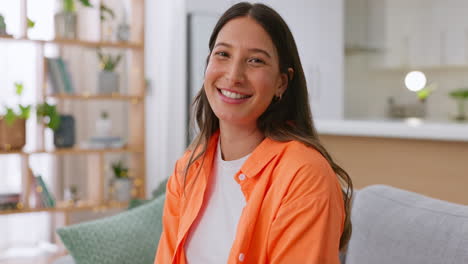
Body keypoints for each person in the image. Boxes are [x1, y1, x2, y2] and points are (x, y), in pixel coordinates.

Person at [155, 2, 353, 263]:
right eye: (223, 54)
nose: (234, 75)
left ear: (281, 82)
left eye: (255, 60)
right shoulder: (187, 170)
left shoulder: (305, 176)